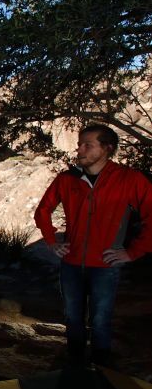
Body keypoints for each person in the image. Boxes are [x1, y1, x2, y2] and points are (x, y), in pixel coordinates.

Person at [34, 124, 152, 366]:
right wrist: (51, 241)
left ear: (107, 149)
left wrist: (133, 253)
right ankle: (75, 362)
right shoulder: (67, 179)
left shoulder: (129, 179)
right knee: (72, 317)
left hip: (106, 264)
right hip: (71, 262)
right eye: (79, 144)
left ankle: (101, 366)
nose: (80, 149)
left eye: (88, 144)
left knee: (101, 318)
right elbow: (43, 211)